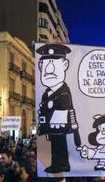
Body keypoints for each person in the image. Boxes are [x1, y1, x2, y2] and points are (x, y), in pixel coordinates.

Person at [36, 43, 81, 173]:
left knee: (60, 145)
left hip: (60, 126)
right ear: (40, 66)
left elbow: (63, 108)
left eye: (54, 64)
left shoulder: (63, 92)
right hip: (52, 127)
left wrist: (56, 119)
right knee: (55, 145)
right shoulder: (46, 94)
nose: (49, 70)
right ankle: (57, 163)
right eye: (45, 65)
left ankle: (62, 164)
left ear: (65, 65)